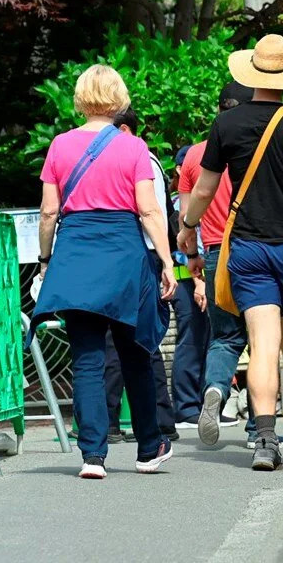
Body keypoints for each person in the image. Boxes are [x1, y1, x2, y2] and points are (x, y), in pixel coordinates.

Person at [177, 34, 283, 472]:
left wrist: (187, 228)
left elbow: (205, 189)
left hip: (246, 249)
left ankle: (265, 441)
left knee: (262, 346)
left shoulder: (225, 126)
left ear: (251, 75)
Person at [30, 64, 177, 480]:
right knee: (136, 354)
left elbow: (48, 213)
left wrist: (45, 260)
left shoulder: (59, 145)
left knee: (88, 359)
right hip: (124, 256)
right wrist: (167, 262)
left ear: (80, 98)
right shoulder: (133, 148)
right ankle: (149, 449)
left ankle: (92, 456)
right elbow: (149, 210)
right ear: (119, 97)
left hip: (76, 254)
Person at [178, 81, 283, 449]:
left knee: (224, 336)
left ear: (217, 109)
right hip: (254, 249)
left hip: (214, 255)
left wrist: (192, 258)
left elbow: (187, 214)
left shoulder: (194, 156)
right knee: (262, 341)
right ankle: (259, 431)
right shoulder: (258, 146)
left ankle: (214, 389)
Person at [102, 107, 180, 444]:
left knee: (125, 339)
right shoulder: (149, 161)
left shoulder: (139, 161)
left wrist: (163, 261)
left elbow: (151, 213)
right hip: (145, 254)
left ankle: (121, 421)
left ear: (123, 130)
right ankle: (158, 420)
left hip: (137, 254)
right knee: (139, 338)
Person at [168, 144, 212, 429]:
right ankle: (185, 407)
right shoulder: (177, 205)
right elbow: (184, 246)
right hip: (186, 279)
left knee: (205, 340)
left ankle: (200, 404)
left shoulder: (198, 201)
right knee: (190, 340)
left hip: (199, 279)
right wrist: (198, 282)